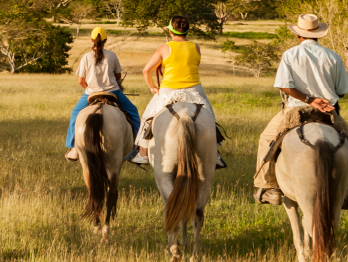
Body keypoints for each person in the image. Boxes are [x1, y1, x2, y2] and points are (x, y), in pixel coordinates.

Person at [254, 14, 348, 207]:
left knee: (266, 139)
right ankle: (344, 191)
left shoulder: (290, 55)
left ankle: (269, 187)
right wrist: (323, 101)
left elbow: (284, 86)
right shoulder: (333, 56)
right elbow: (341, 91)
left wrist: (309, 99)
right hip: (327, 111)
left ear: (298, 35)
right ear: (318, 35)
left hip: (296, 109)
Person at [130, 15, 226, 168]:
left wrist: (152, 87)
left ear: (170, 31)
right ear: (186, 30)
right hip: (194, 88)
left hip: (169, 89)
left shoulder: (164, 48)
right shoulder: (196, 47)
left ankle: (142, 153)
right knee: (210, 115)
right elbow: (195, 64)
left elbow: (146, 70)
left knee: (148, 116)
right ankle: (215, 155)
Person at [64, 27, 140, 162]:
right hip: (113, 91)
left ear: (92, 40)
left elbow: (81, 81)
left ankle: (73, 147)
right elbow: (117, 77)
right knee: (133, 111)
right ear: (105, 40)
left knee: (75, 114)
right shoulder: (112, 55)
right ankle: (137, 147)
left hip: (91, 93)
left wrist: (89, 89)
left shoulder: (86, 56)